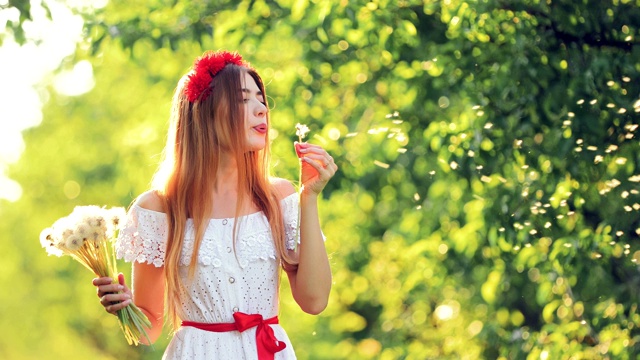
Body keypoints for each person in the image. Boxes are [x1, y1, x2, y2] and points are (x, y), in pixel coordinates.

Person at [92, 50, 337, 359]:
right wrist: (126, 309)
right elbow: (149, 330)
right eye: (244, 99)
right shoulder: (158, 209)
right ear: (204, 111)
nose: (261, 109)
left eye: (261, 99)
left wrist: (309, 197)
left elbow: (314, 301)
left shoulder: (278, 197)